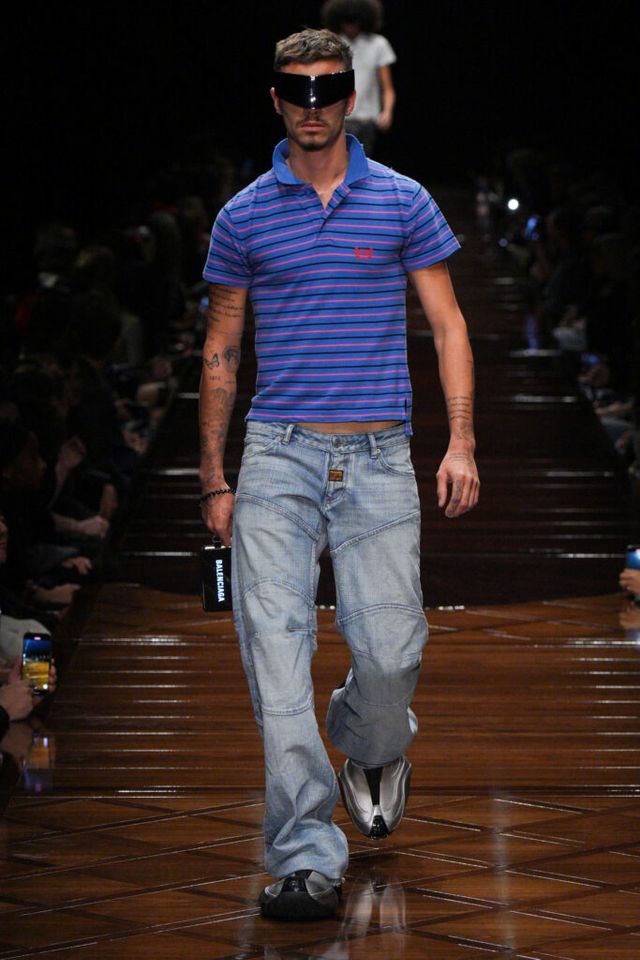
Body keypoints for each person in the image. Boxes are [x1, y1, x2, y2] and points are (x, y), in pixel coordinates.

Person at [199, 28, 479, 920]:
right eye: (297, 90)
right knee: (274, 655)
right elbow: (221, 348)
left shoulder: (401, 199)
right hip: (277, 454)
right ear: (276, 99)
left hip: (379, 456)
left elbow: (448, 324)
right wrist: (213, 477)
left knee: (393, 654)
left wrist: (461, 440)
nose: (312, 105)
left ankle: (368, 739)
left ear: (349, 98)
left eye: (327, 89)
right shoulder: (243, 215)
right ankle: (305, 857)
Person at [322, 0, 396, 156]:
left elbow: (387, 87)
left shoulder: (378, 44)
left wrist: (387, 111)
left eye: (354, 20)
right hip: (337, 117)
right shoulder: (332, 44)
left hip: (365, 119)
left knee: (361, 162)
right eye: (346, 20)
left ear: (363, 20)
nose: (350, 26)